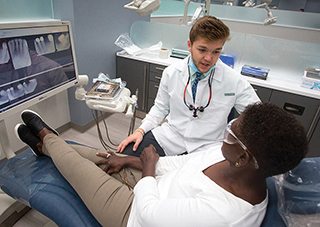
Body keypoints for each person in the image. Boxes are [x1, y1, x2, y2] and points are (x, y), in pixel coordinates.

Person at [15, 102, 308, 227]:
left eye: (232, 130)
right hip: (149, 183)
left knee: (72, 167)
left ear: (244, 157)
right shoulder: (229, 158)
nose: (226, 130)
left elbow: (150, 213)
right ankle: (44, 146)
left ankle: (46, 138)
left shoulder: (227, 215)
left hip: (134, 214)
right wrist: (133, 160)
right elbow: (181, 166)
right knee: (98, 156)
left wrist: (149, 168)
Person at [118, 16, 260, 157]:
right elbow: (160, 109)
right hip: (170, 137)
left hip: (208, 147)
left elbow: (258, 116)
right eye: (202, 50)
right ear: (189, 45)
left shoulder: (234, 81)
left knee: (183, 178)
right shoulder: (171, 73)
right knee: (124, 156)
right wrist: (140, 131)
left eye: (216, 52)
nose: (208, 58)